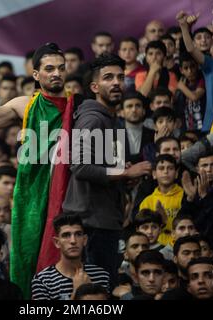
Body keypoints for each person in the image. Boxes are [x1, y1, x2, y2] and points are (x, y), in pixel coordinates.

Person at [0, 43, 81, 297]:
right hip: (31, 199)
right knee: (28, 260)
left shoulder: (80, 106)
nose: (56, 74)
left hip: (72, 193)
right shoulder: (25, 105)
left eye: (60, 68)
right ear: (36, 75)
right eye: (49, 69)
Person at [62, 53, 151, 286]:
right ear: (94, 86)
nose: (116, 83)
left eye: (120, 77)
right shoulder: (92, 118)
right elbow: (80, 166)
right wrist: (125, 173)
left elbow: (102, 168)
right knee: (95, 295)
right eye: (108, 77)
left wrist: (122, 174)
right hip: (91, 225)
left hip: (103, 221)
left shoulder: (111, 120)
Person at [31, 214, 110, 300]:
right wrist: (77, 291)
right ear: (57, 242)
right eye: (66, 235)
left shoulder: (101, 275)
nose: (73, 241)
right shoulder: (43, 281)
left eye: (78, 234)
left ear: (84, 240)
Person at [139, 154, 186, 246]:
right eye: (161, 168)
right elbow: (142, 231)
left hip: (179, 247)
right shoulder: (147, 201)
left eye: (170, 168)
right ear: (154, 174)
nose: (165, 172)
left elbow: (187, 227)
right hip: (154, 248)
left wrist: (165, 221)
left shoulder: (184, 197)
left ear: (176, 173)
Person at [174, 52, 206, 131]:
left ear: (197, 66)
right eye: (186, 68)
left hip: (203, 127)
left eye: (192, 66)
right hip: (187, 128)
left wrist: (181, 86)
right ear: (181, 70)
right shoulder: (183, 84)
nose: (190, 71)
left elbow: (194, 97)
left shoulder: (202, 81)